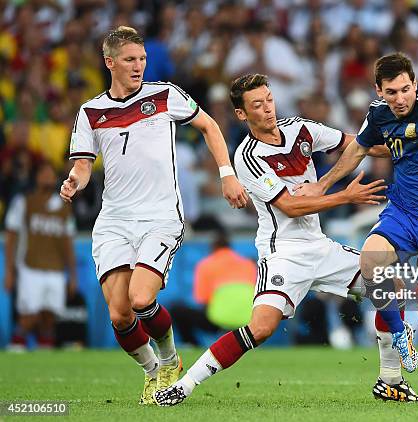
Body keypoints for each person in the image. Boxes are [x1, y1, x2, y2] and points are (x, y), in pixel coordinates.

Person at [154, 73, 418, 406]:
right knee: (262, 328)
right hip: (283, 252)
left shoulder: (301, 129)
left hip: (320, 245)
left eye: (269, 99)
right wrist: (345, 196)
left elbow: (358, 144)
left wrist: (408, 143)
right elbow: (290, 206)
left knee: (390, 285)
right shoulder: (247, 157)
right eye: (257, 104)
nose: (268, 108)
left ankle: (390, 382)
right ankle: (185, 384)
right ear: (242, 114)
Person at [59, 26, 248, 405]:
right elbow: (82, 165)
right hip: (114, 220)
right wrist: (73, 182)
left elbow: (209, 125)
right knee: (119, 315)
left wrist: (227, 174)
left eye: (142, 59)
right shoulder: (91, 111)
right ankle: (151, 370)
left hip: (160, 216)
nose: (138, 66)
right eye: (130, 59)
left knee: (142, 298)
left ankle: (170, 361)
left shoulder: (164, 95)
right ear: (110, 62)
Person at [294, 53, 418, 377]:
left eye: (405, 89)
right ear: (378, 90)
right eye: (392, 92)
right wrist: (322, 185)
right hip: (404, 209)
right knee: (370, 260)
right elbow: (358, 149)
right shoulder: (379, 114)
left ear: (414, 83)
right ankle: (399, 333)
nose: (400, 98)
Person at [4, 161, 77, 350]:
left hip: (55, 269)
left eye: (50, 174)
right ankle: (15, 349)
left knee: (49, 317)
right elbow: (11, 237)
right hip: (30, 268)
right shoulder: (24, 202)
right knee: (30, 316)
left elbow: (68, 243)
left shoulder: (64, 207)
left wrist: (73, 276)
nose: (47, 177)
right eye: (43, 173)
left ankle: (44, 359)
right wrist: (9, 270)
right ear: (36, 177)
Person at [171, 231, 257, 346]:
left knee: (177, 310)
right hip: (249, 319)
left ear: (213, 248)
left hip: (219, 320)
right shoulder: (248, 264)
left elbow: (202, 299)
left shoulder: (206, 264)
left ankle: (192, 345)